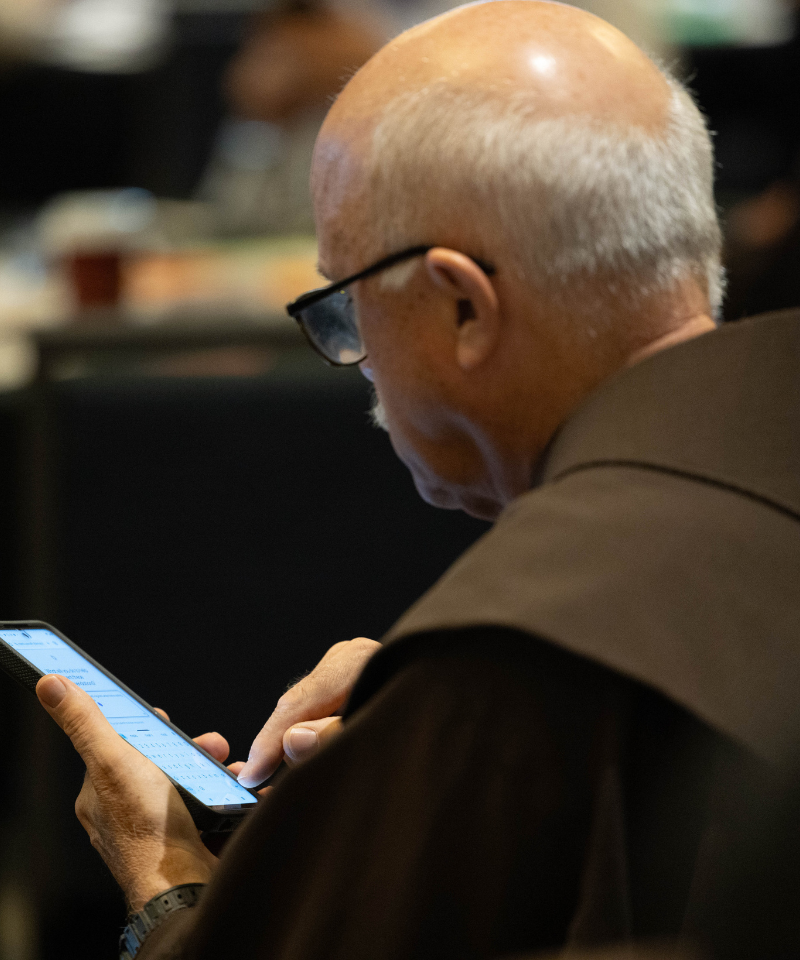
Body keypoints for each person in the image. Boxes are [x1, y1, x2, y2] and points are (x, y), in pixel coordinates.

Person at [34, 2, 800, 958]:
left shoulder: (507, 658)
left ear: (464, 308)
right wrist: (427, 727)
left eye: (346, 304)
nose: (351, 358)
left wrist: (163, 887)